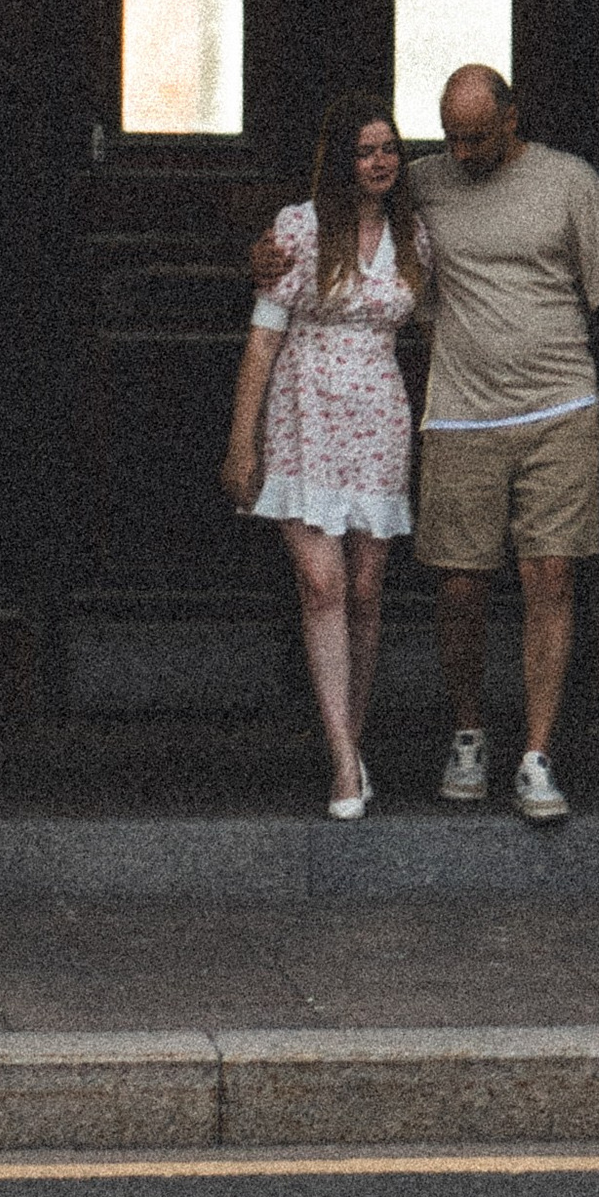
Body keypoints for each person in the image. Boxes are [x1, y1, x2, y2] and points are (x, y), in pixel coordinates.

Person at [402, 65, 599, 823]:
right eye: (450, 137)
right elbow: (338, 216)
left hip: (559, 405)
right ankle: (469, 731)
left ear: (513, 118)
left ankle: (537, 753)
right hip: (460, 412)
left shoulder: (570, 182)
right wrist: (267, 252)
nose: (462, 152)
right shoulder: (422, 183)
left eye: (476, 136)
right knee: (461, 584)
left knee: (551, 576)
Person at [220, 95, 432, 819]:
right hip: (304, 410)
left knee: (368, 588)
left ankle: (354, 738)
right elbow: (263, 336)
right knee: (322, 584)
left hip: (378, 414)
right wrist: (240, 442)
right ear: (342, 160)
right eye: (366, 150)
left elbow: (430, 327)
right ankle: (343, 761)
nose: (380, 162)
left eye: (389, 150)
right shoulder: (299, 229)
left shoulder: (414, 237)